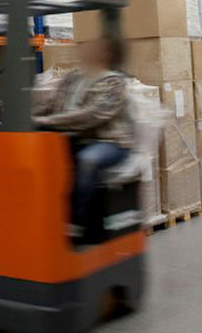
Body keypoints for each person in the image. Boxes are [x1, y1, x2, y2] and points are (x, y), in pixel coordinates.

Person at [31, 35, 134, 237]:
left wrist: (46, 121)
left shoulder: (114, 82)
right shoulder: (73, 78)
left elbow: (94, 115)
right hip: (74, 136)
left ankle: (78, 222)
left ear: (107, 54)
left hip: (109, 142)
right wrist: (24, 116)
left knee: (88, 160)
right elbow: (51, 104)